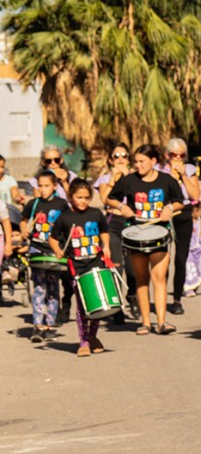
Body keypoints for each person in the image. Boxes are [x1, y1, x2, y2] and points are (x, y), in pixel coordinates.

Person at [107, 144, 185, 335]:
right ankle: (145, 323)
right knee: (142, 278)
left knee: (159, 277)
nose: (138, 165)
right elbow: (110, 198)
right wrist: (122, 207)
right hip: (136, 234)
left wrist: (169, 209)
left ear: (153, 161)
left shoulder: (167, 180)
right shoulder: (129, 181)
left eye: (142, 161)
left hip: (160, 232)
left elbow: (180, 202)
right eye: (136, 161)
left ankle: (161, 321)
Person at [48, 179, 112, 357]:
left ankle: (92, 336)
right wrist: (58, 251)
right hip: (76, 267)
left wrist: (105, 246)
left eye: (87, 197)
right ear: (71, 197)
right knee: (82, 306)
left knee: (98, 304)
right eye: (79, 197)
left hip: (96, 263)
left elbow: (104, 231)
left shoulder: (96, 214)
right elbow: (52, 238)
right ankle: (83, 341)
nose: (83, 201)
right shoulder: (65, 217)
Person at [29, 146, 77, 321]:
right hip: (46, 236)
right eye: (49, 161)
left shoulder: (70, 177)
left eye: (56, 160)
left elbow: (76, 202)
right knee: (48, 279)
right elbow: (39, 203)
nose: (53, 163)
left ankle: (66, 301)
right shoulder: (38, 181)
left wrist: (64, 183)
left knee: (68, 276)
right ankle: (49, 315)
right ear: (43, 163)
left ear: (61, 160)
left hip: (67, 230)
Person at [22, 171, 69, 342]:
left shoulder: (62, 204)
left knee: (53, 288)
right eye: (40, 186)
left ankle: (49, 325)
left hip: (54, 251)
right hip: (36, 249)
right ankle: (37, 326)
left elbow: (68, 224)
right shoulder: (33, 204)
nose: (42, 189)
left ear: (55, 186)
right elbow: (23, 219)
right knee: (39, 288)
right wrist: (23, 229)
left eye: (46, 185)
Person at [95, 143, 138, 325]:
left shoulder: (135, 178)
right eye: (116, 156)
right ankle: (117, 307)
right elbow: (104, 199)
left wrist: (127, 177)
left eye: (124, 155)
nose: (120, 159)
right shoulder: (105, 178)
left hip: (132, 224)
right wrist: (114, 178)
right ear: (110, 160)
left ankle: (133, 296)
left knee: (133, 268)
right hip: (113, 224)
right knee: (116, 266)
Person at [162, 138, 201, 315]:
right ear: (167, 155)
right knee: (163, 259)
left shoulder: (189, 170)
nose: (178, 158)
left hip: (184, 212)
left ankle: (177, 298)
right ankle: (161, 296)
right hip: (165, 212)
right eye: (174, 154)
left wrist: (184, 176)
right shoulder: (160, 171)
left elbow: (196, 195)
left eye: (181, 155)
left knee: (181, 259)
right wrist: (171, 178)